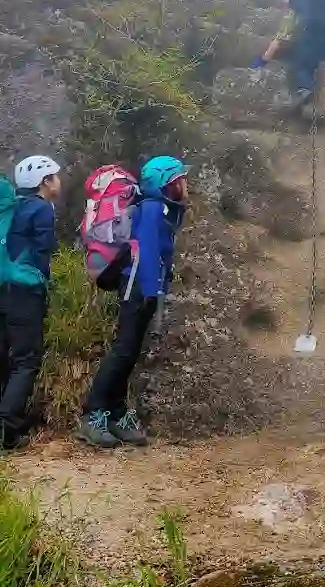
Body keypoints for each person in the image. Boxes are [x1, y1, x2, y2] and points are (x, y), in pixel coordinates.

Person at [78, 156, 188, 448]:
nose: (185, 183)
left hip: (141, 286)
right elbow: (149, 254)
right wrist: (154, 294)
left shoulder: (161, 209)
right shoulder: (152, 210)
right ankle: (92, 415)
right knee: (123, 351)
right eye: (180, 178)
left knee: (129, 352)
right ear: (170, 183)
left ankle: (115, 413)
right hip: (138, 287)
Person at [0, 155, 61, 451]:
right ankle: (7, 430)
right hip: (25, 292)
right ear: (45, 182)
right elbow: (42, 254)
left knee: (4, 356)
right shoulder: (41, 209)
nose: (58, 181)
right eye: (55, 176)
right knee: (26, 360)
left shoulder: (13, 206)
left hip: (3, 287)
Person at [252, 0, 325, 111]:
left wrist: (260, 63)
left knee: (302, 66)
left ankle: (305, 89)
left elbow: (285, 30)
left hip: (313, 44)